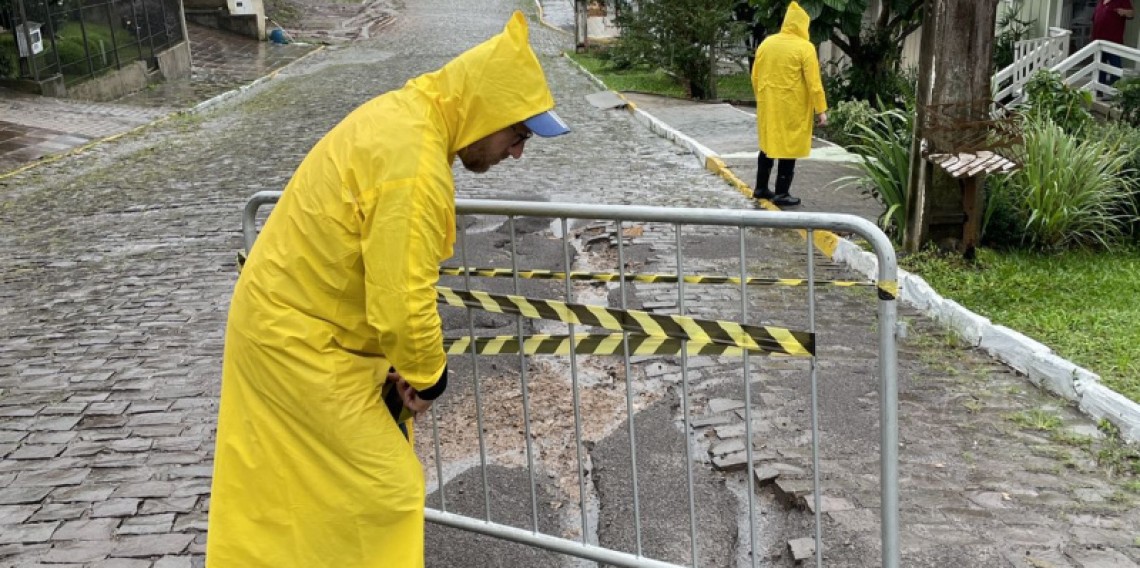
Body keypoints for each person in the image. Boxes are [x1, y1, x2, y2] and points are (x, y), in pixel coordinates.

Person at [206, 11, 569, 568]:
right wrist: (430, 379)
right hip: (299, 344)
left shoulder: (410, 121)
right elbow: (402, 304)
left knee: (294, 497)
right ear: (486, 112)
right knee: (384, 492)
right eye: (518, 134)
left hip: (297, 331)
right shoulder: (416, 167)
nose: (518, 151)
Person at [750, 1, 827, 207]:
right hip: (792, 106)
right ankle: (782, 193)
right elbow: (814, 83)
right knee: (788, 147)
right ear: (803, 25)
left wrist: (762, 98)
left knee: (767, 145)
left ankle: (760, 188)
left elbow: (755, 76)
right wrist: (821, 110)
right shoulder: (805, 48)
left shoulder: (766, 43)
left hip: (768, 105)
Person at [1092, 0, 1134, 88]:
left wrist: (1124, 12)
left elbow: (1131, 14)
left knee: (1115, 66)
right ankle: (1099, 90)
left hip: (1113, 41)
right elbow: (1094, 19)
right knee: (1099, 67)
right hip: (1098, 41)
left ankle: (1114, 91)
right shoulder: (1101, 2)